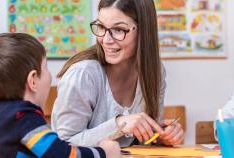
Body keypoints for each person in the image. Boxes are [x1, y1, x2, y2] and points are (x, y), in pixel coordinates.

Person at [51, 0, 185, 147]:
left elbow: (146, 140)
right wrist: (120, 124)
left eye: (119, 30)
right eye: (101, 27)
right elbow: (62, 145)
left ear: (144, 30)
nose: (106, 40)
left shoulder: (155, 71)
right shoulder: (83, 74)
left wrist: (161, 136)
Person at [0, 33, 121, 158]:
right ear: (33, 80)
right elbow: (63, 155)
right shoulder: (23, 117)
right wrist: (104, 153)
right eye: (46, 67)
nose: (50, 76)